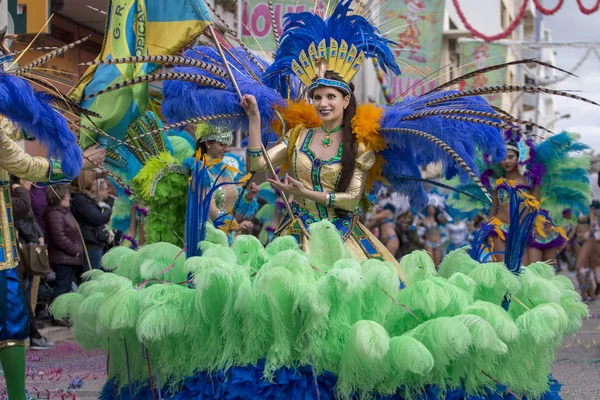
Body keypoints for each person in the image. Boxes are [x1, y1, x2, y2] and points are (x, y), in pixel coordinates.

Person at [10, 176, 55, 350]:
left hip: (27, 248)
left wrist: (39, 235)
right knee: (23, 295)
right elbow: (22, 218)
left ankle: (31, 334)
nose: (32, 184)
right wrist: (34, 238)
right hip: (22, 250)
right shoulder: (17, 196)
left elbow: (32, 220)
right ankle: (30, 335)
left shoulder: (21, 196)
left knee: (28, 293)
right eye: (28, 180)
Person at [44, 184, 83, 324]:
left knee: (66, 287)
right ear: (59, 196)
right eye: (66, 194)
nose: (69, 197)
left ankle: (62, 314)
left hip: (69, 258)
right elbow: (59, 237)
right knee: (62, 287)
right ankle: (57, 316)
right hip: (63, 257)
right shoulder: (55, 213)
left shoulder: (63, 212)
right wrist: (75, 249)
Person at [70, 170, 111, 270]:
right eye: (93, 179)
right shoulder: (80, 199)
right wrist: (109, 210)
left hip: (95, 241)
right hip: (90, 242)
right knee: (92, 276)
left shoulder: (87, 198)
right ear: (87, 181)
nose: (94, 182)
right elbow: (97, 218)